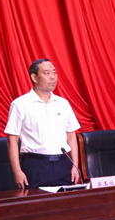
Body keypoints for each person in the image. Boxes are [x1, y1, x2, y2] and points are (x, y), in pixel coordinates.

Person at [5, 59, 81, 189]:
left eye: (54, 72)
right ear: (34, 77)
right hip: (35, 166)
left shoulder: (63, 103)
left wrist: (75, 165)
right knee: (36, 201)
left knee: (66, 201)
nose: (52, 77)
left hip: (63, 164)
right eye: (46, 73)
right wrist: (17, 171)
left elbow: (71, 135)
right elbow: (12, 140)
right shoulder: (20, 104)